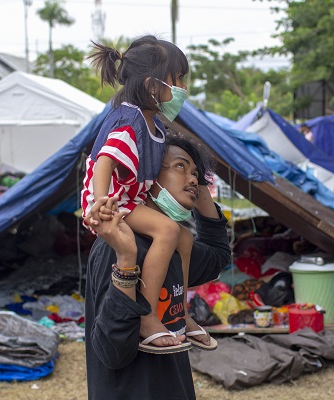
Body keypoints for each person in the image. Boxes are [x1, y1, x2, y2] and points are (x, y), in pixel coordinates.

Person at [85, 134, 230, 399]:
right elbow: (113, 351)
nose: (192, 179)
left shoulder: (175, 247)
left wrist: (197, 179)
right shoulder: (116, 247)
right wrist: (126, 261)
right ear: (148, 174)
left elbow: (218, 256)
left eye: (195, 174)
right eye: (179, 166)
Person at [82, 36, 203, 353]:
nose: (183, 88)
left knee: (185, 237)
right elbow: (104, 161)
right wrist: (100, 204)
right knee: (168, 230)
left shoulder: (156, 126)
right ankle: (147, 316)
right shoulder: (129, 121)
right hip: (115, 202)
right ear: (152, 86)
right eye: (179, 79)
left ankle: (180, 311)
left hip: (131, 199)